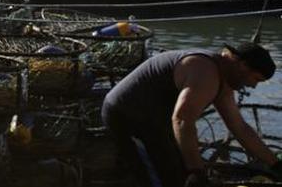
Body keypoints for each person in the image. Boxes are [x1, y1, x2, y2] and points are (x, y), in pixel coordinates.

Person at [101, 42, 281, 187]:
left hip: (155, 123)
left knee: (179, 172)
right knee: (163, 178)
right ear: (242, 65)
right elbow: (181, 119)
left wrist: (275, 165)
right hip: (127, 115)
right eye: (255, 79)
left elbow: (240, 128)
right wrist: (197, 171)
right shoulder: (206, 71)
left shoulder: (223, 80)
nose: (253, 86)